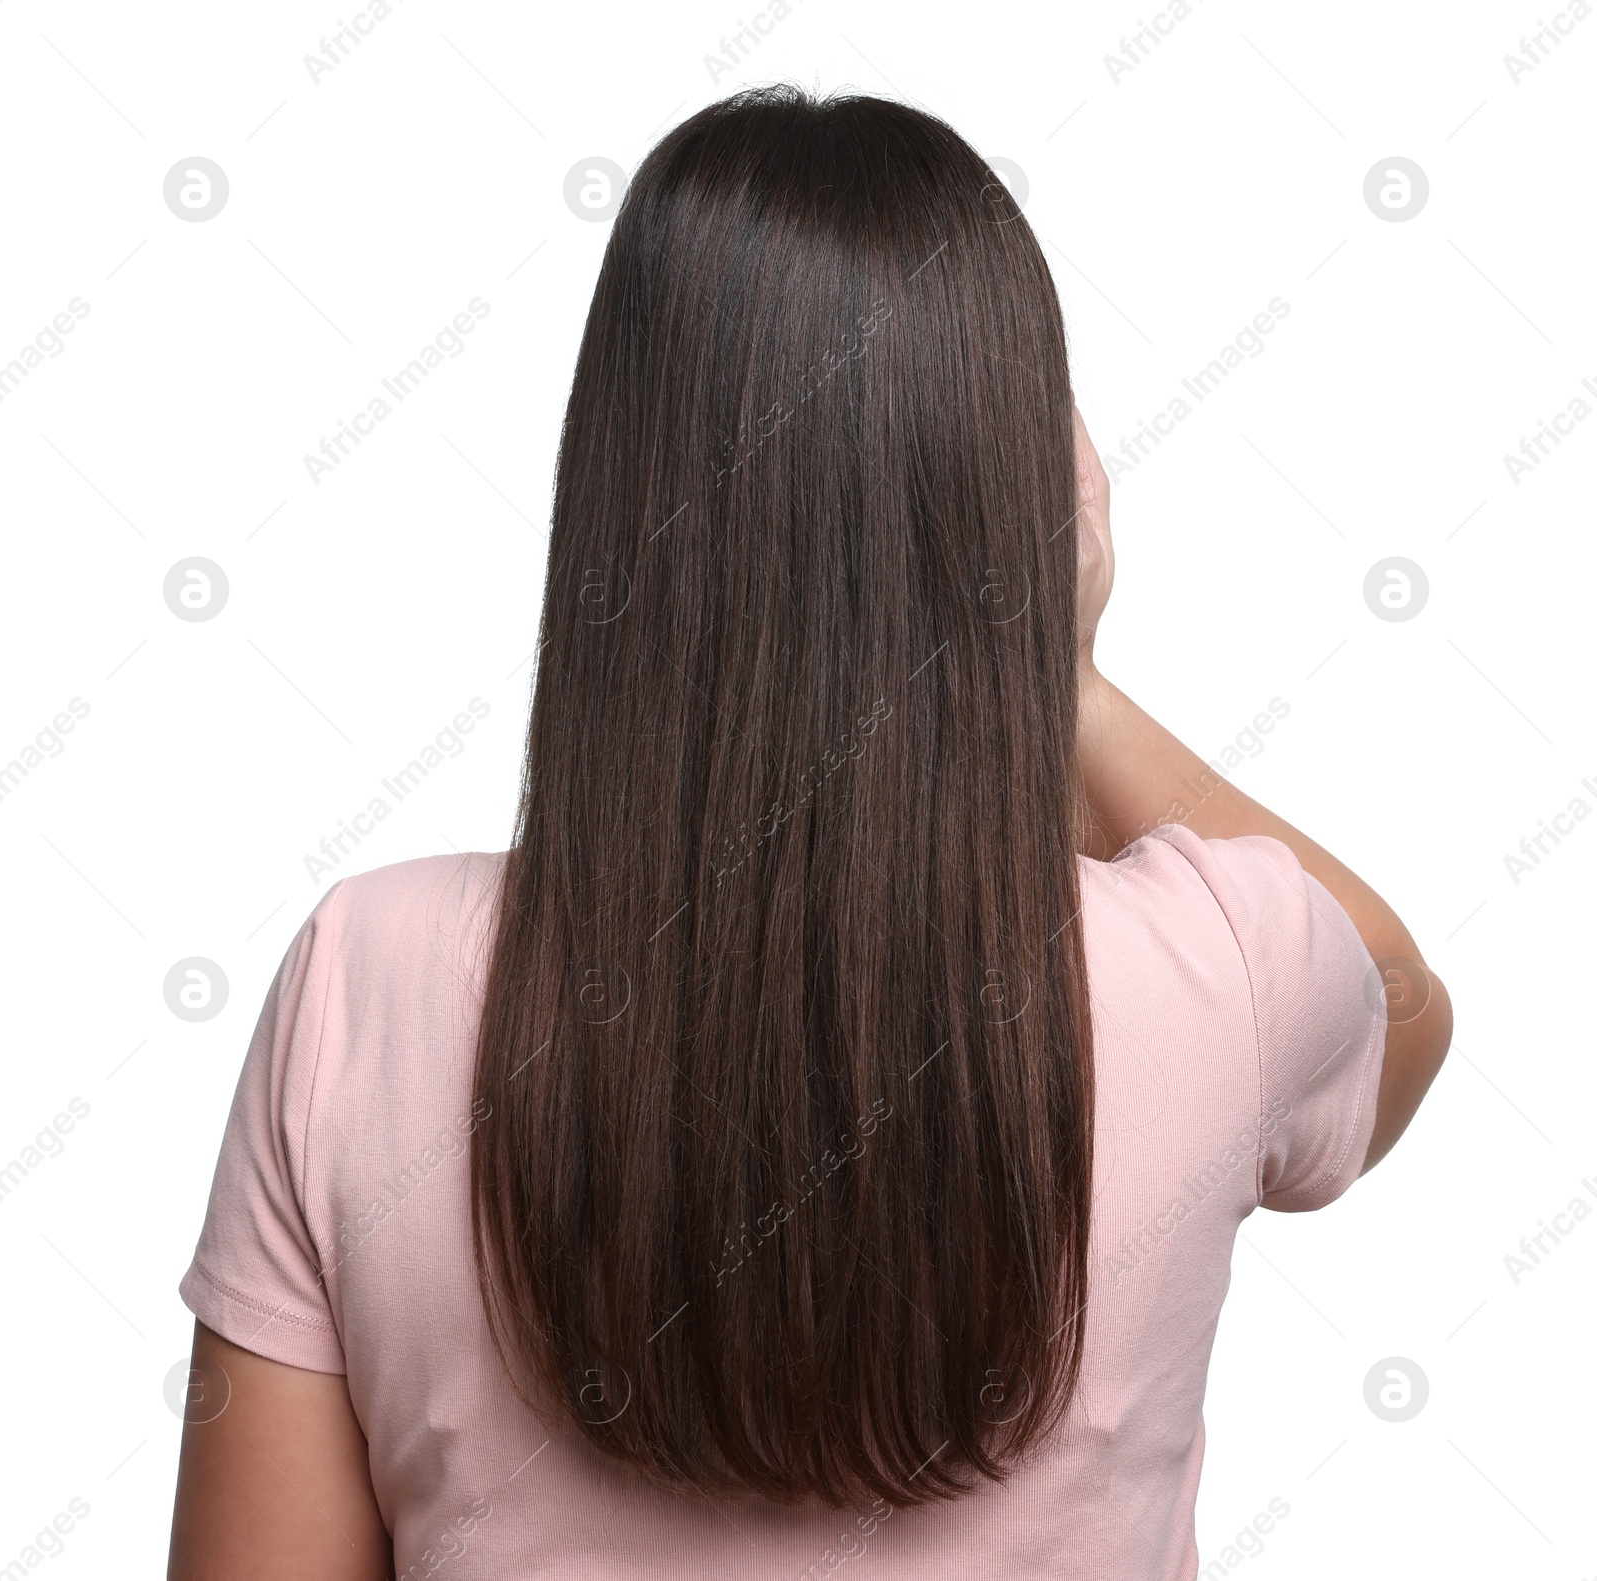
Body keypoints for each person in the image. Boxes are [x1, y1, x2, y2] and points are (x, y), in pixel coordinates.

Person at [168, 86, 1451, 1579]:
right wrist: (1054, 666)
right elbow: (1394, 999)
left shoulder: (359, 981)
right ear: (1018, 492)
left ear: (616, 491)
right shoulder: (1225, 971)